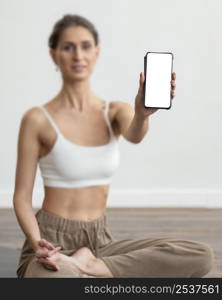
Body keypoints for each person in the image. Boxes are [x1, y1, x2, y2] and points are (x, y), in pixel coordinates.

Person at [13, 14, 214, 278]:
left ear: (96, 53)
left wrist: (142, 113)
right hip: (52, 242)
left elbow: (134, 135)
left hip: (100, 242)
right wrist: (37, 241)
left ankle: (92, 267)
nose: (78, 55)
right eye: (68, 47)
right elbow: (21, 198)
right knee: (57, 277)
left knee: (200, 256)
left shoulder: (114, 111)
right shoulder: (37, 120)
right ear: (54, 55)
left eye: (85, 46)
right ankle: (88, 272)